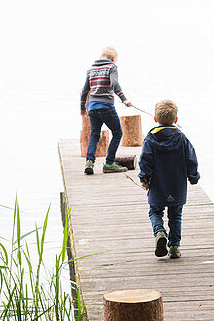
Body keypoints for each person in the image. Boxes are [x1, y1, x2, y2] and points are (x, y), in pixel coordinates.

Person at [138, 99, 200, 260]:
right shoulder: (182, 138)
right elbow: (191, 159)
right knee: (175, 215)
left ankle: (159, 232)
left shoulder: (151, 138)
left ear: (155, 119)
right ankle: (174, 247)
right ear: (176, 119)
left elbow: (145, 159)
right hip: (177, 185)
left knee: (155, 211)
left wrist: (144, 177)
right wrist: (193, 176)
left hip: (157, 185)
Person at [80, 45, 133, 175]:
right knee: (117, 133)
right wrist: (124, 99)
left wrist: (82, 107)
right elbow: (114, 83)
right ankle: (109, 163)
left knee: (94, 134)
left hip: (92, 107)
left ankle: (90, 162)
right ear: (113, 58)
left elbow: (85, 90)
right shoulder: (111, 67)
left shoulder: (91, 69)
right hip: (106, 106)